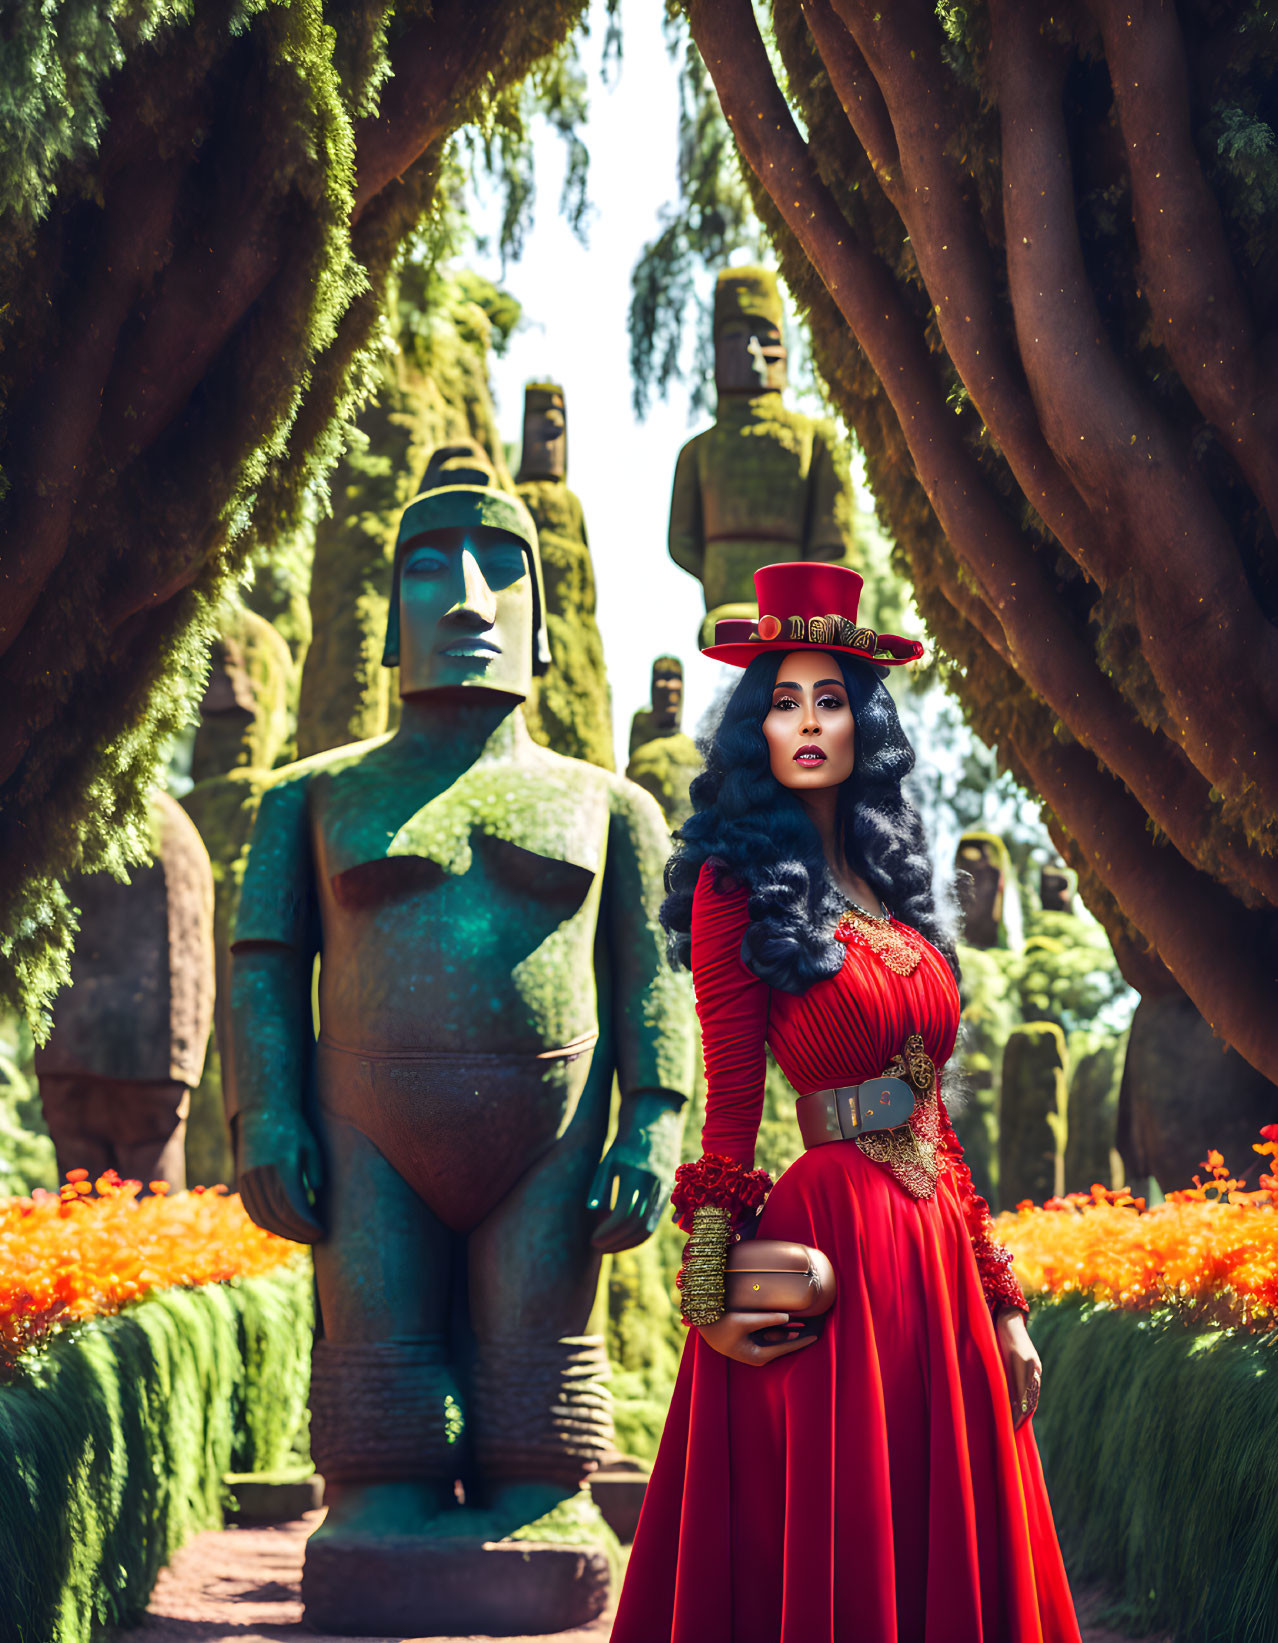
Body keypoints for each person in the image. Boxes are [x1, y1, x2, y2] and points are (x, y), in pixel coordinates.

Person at [612, 562, 1081, 1643]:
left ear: (864, 721)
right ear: (757, 730)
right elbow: (732, 1103)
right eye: (783, 700)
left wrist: (1001, 1301)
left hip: (931, 1255)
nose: (808, 720)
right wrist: (705, 1291)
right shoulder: (739, 886)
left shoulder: (898, 890)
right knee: (845, 1550)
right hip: (833, 1236)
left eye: (830, 697)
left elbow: (935, 1119)